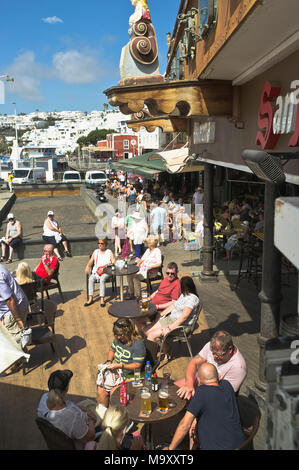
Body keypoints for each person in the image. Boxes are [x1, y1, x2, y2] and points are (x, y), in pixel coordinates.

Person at [164, 363, 245, 450]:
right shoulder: (227, 385)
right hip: (239, 444)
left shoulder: (202, 393)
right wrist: (196, 420)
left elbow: (184, 425)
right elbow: (215, 407)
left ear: (198, 380)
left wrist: (170, 448)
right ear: (218, 376)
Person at [176, 330, 247, 399]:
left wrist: (196, 395)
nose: (214, 356)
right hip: (201, 382)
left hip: (216, 395)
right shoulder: (213, 346)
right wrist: (189, 384)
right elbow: (194, 363)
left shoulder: (238, 367)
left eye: (218, 354)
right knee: (173, 390)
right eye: (213, 353)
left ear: (230, 349)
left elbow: (225, 396)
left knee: (184, 400)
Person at [37, 370, 97, 449]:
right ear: (66, 389)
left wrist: (85, 409)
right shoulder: (72, 416)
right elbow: (90, 437)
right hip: (78, 440)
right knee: (95, 408)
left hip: (61, 434)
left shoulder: (44, 397)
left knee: (88, 404)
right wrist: (91, 420)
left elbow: (67, 407)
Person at [97, 318, 146, 407]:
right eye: (116, 334)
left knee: (114, 393)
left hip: (134, 375)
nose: (118, 337)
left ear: (129, 332)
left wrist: (119, 366)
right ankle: (103, 417)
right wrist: (109, 361)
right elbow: (112, 350)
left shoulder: (138, 344)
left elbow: (137, 365)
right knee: (101, 390)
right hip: (119, 371)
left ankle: (119, 417)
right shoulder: (118, 339)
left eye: (121, 335)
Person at [142, 276, 200, 345]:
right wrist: (161, 314)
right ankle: (164, 347)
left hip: (180, 326)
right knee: (146, 331)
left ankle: (161, 350)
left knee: (151, 335)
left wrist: (169, 328)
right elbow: (173, 305)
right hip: (170, 319)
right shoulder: (184, 294)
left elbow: (184, 317)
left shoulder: (191, 299)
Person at [0, 263, 29, 375]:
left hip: (12, 311)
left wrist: (17, 319)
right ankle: (21, 355)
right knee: (14, 337)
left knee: (14, 340)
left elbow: (10, 300)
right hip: (15, 307)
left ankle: (16, 364)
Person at [84, 238, 115, 308]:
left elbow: (114, 262)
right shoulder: (96, 252)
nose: (100, 245)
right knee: (91, 278)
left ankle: (102, 298)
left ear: (105, 244)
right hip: (97, 271)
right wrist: (88, 266)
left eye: (102, 243)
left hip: (106, 271)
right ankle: (90, 298)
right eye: (99, 243)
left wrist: (106, 266)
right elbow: (91, 260)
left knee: (102, 279)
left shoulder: (109, 252)